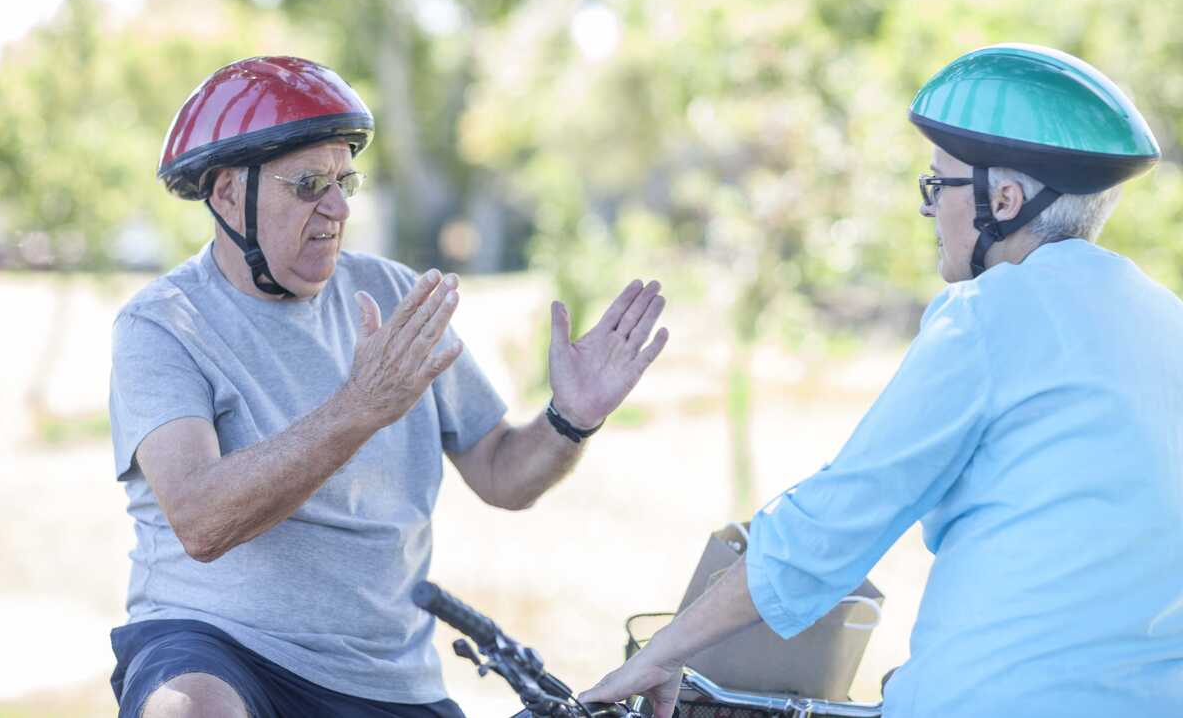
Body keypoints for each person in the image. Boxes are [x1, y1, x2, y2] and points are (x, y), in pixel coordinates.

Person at [581, 43, 1183, 717]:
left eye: (939, 185)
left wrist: (661, 650)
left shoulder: (993, 315)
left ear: (1003, 200)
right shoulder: (1168, 323)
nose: (929, 210)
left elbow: (830, 525)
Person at [107, 56, 670, 718]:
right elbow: (200, 521)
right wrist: (359, 408)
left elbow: (501, 474)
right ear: (228, 194)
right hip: (218, 646)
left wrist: (570, 419)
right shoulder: (163, 323)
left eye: (346, 179)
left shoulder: (396, 295)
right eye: (309, 183)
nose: (339, 206)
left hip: (386, 679)